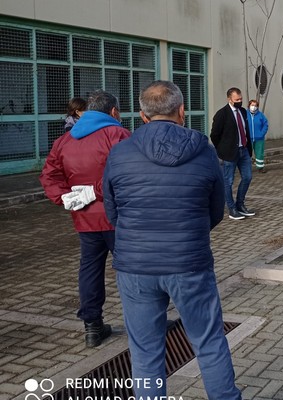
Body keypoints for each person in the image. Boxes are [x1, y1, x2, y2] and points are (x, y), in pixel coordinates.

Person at [103, 81, 240, 400]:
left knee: (145, 352)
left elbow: (112, 211)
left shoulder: (120, 152)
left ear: (142, 115)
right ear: (181, 111)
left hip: (135, 267)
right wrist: (189, 232)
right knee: (208, 342)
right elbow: (216, 210)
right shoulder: (204, 150)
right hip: (189, 263)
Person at [39, 90, 131, 347]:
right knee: (132, 270)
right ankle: (143, 321)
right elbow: (128, 175)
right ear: (113, 112)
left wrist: (66, 197)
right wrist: (96, 191)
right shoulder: (118, 135)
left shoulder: (65, 141)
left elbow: (49, 175)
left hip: (85, 219)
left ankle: (92, 326)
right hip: (118, 217)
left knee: (90, 270)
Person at [210, 87, 254, 220]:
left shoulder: (243, 112)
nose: (239, 101)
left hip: (244, 150)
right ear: (229, 99)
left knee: (247, 177)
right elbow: (214, 135)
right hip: (229, 153)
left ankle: (240, 204)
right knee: (228, 182)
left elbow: (245, 131)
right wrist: (222, 149)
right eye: (237, 99)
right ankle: (232, 209)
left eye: (241, 99)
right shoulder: (222, 114)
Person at [247, 98, 269, 173]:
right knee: (247, 154)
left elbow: (265, 125)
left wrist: (261, 133)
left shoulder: (261, 115)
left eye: (255, 105)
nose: (253, 107)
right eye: (252, 105)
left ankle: (260, 167)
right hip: (248, 139)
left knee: (259, 153)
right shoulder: (245, 115)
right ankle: (246, 169)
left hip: (259, 138)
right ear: (249, 106)